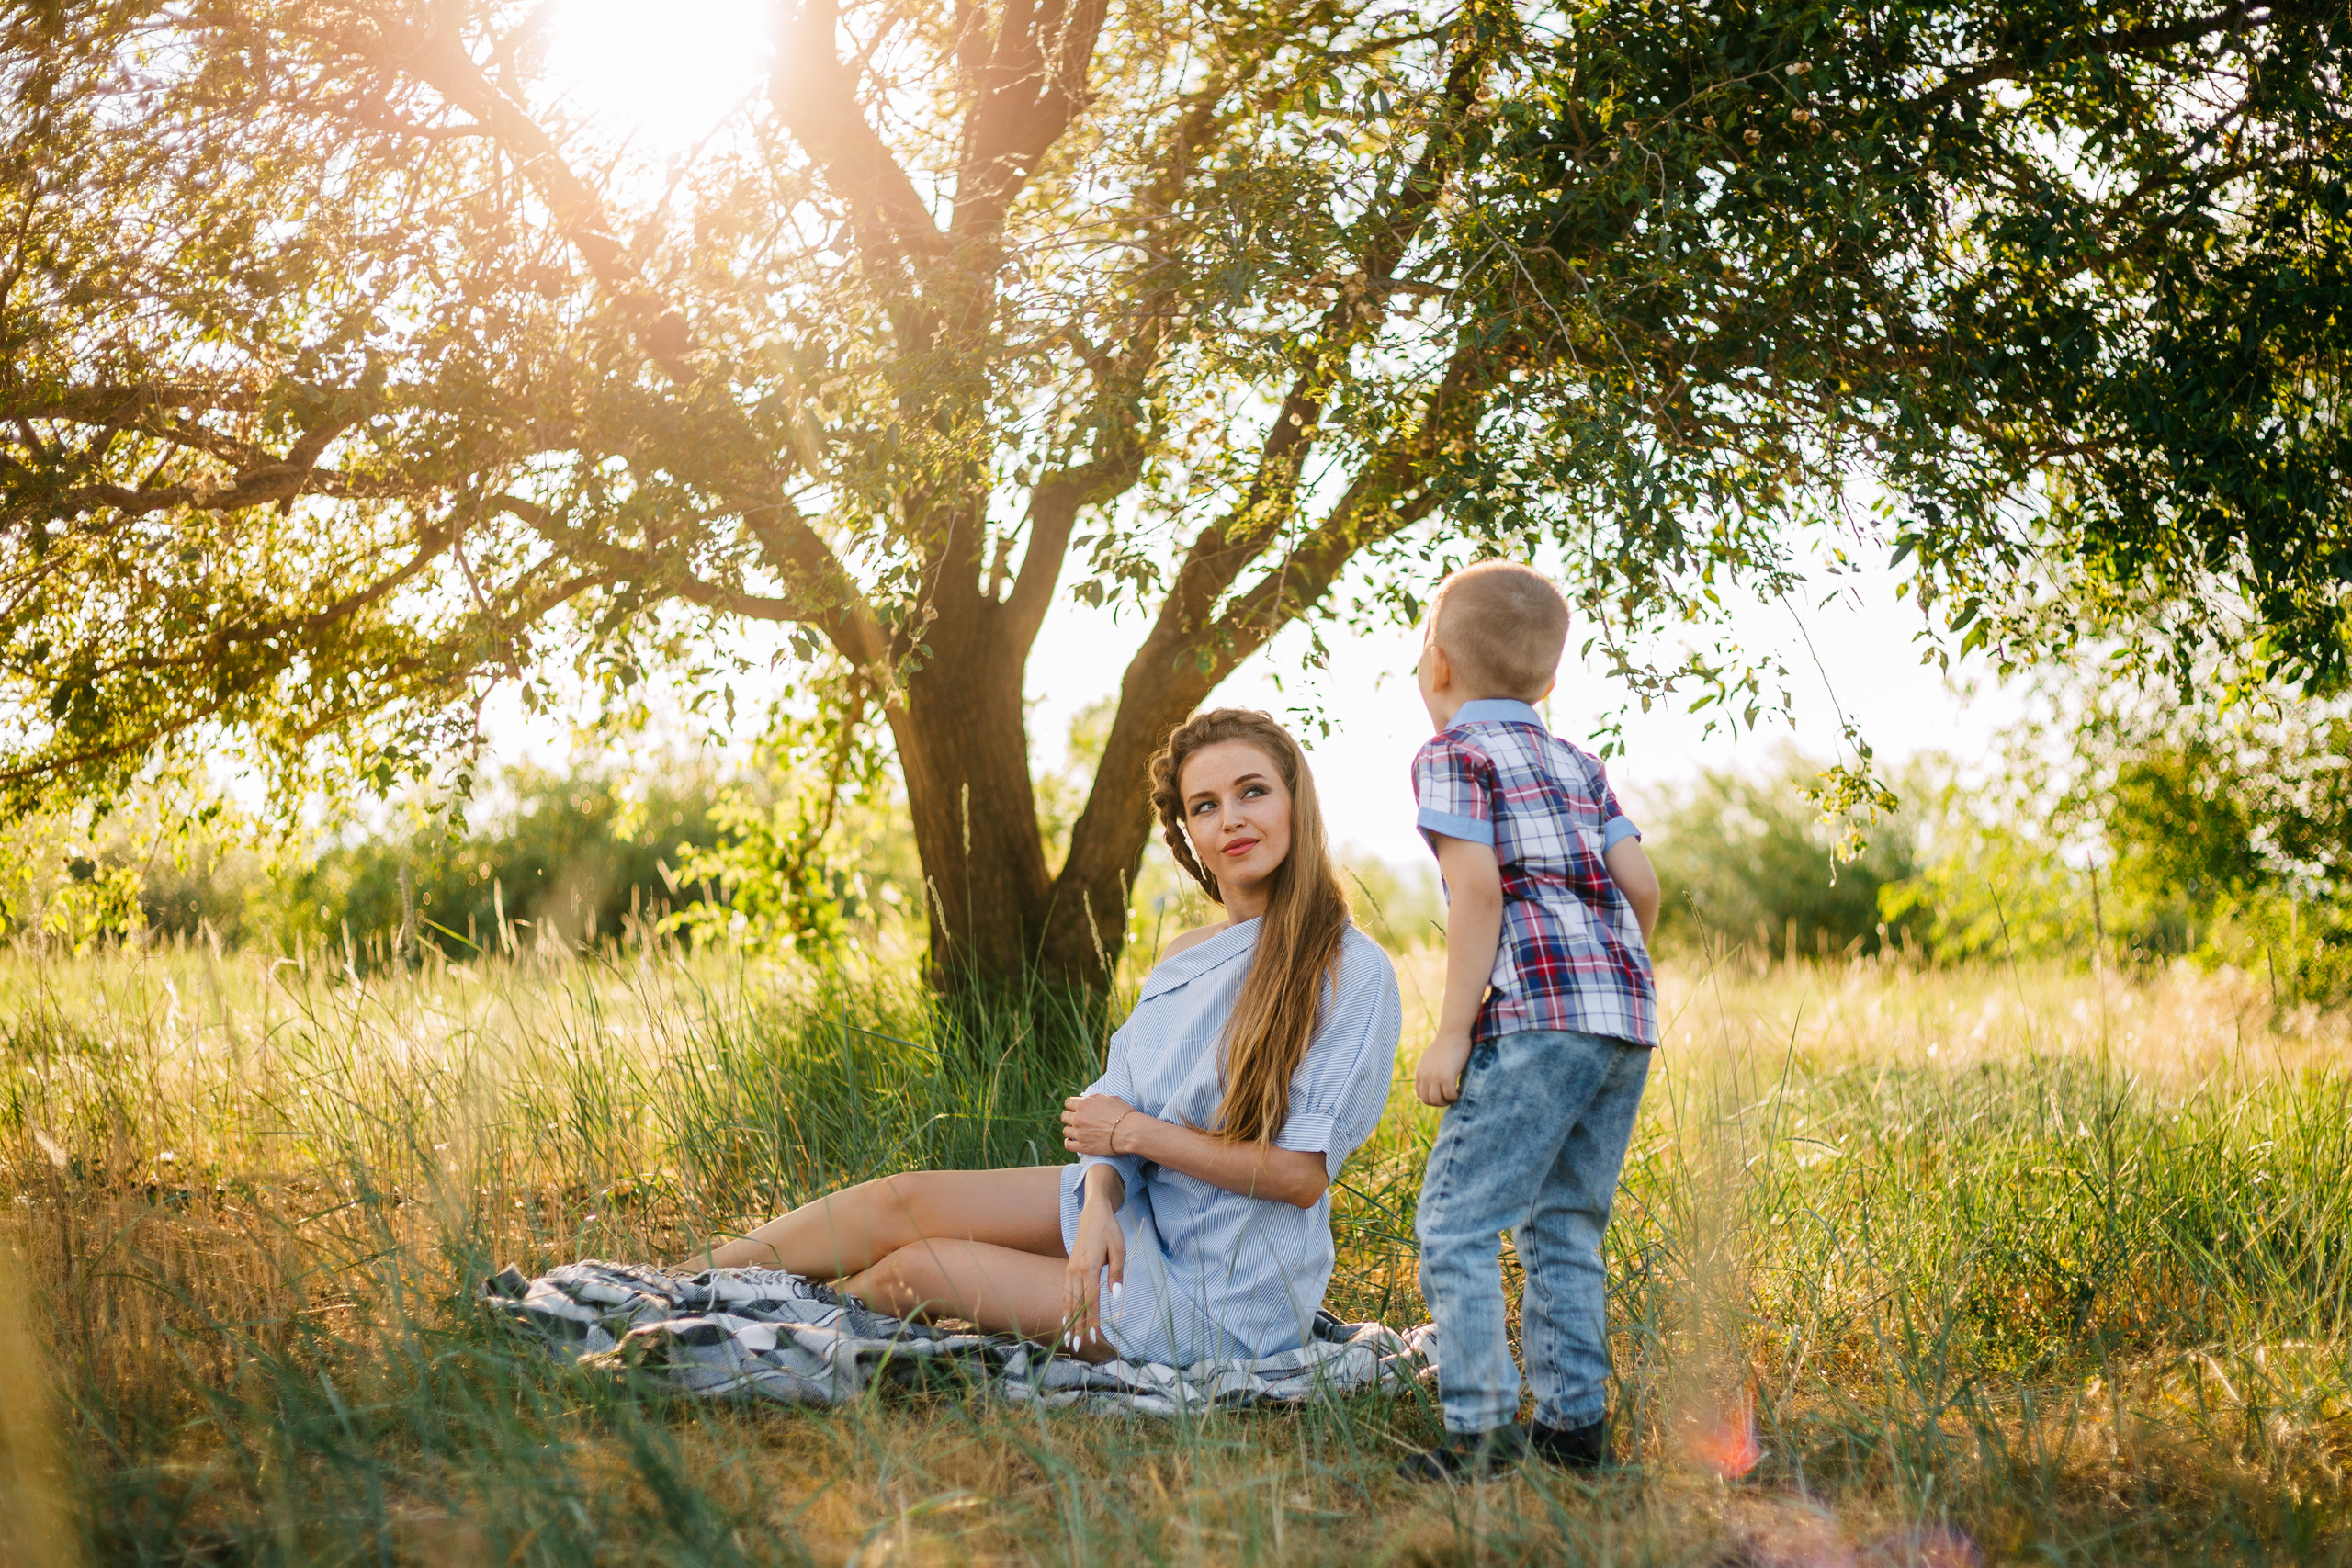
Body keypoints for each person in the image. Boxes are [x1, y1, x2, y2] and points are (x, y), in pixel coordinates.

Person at [687, 709, 1403, 1367]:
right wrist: (1097, 1203)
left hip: (1225, 1301)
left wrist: (1131, 1133)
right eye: (1205, 806)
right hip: (1139, 1213)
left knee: (919, 1269)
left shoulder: (1349, 966)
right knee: (895, 1203)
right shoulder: (1186, 954)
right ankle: (679, 1286)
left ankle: (752, 1326)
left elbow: (1298, 1176)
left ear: (1294, 800)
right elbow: (1115, 1105)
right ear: (1187, 834)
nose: (1232, 820)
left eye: (1253, 792)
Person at [1399, 560, 1663, 1481]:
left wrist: (1451, 1031)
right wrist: (1620, 974)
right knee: (1563, 1224)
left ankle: (1478, 1433)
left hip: (1535, 1018)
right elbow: (1641, 885)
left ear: (1436, 667)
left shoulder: (1453, 757)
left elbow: (1475, 894)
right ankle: (1574, 1429)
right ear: (1549, 683)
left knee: (1457, 1222)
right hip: (1622, 1019)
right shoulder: (1579, 764)